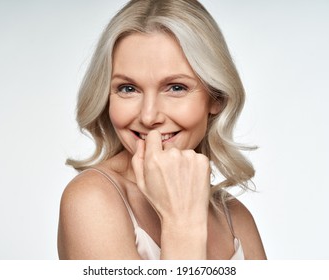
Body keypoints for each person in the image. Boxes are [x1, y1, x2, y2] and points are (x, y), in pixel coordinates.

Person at [57, 0, 267, 260]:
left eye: (176, 87)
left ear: (217, 97)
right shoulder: (92, 200)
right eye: (128, 88)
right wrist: (182, 224)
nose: (148, 116)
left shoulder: (235, 217)